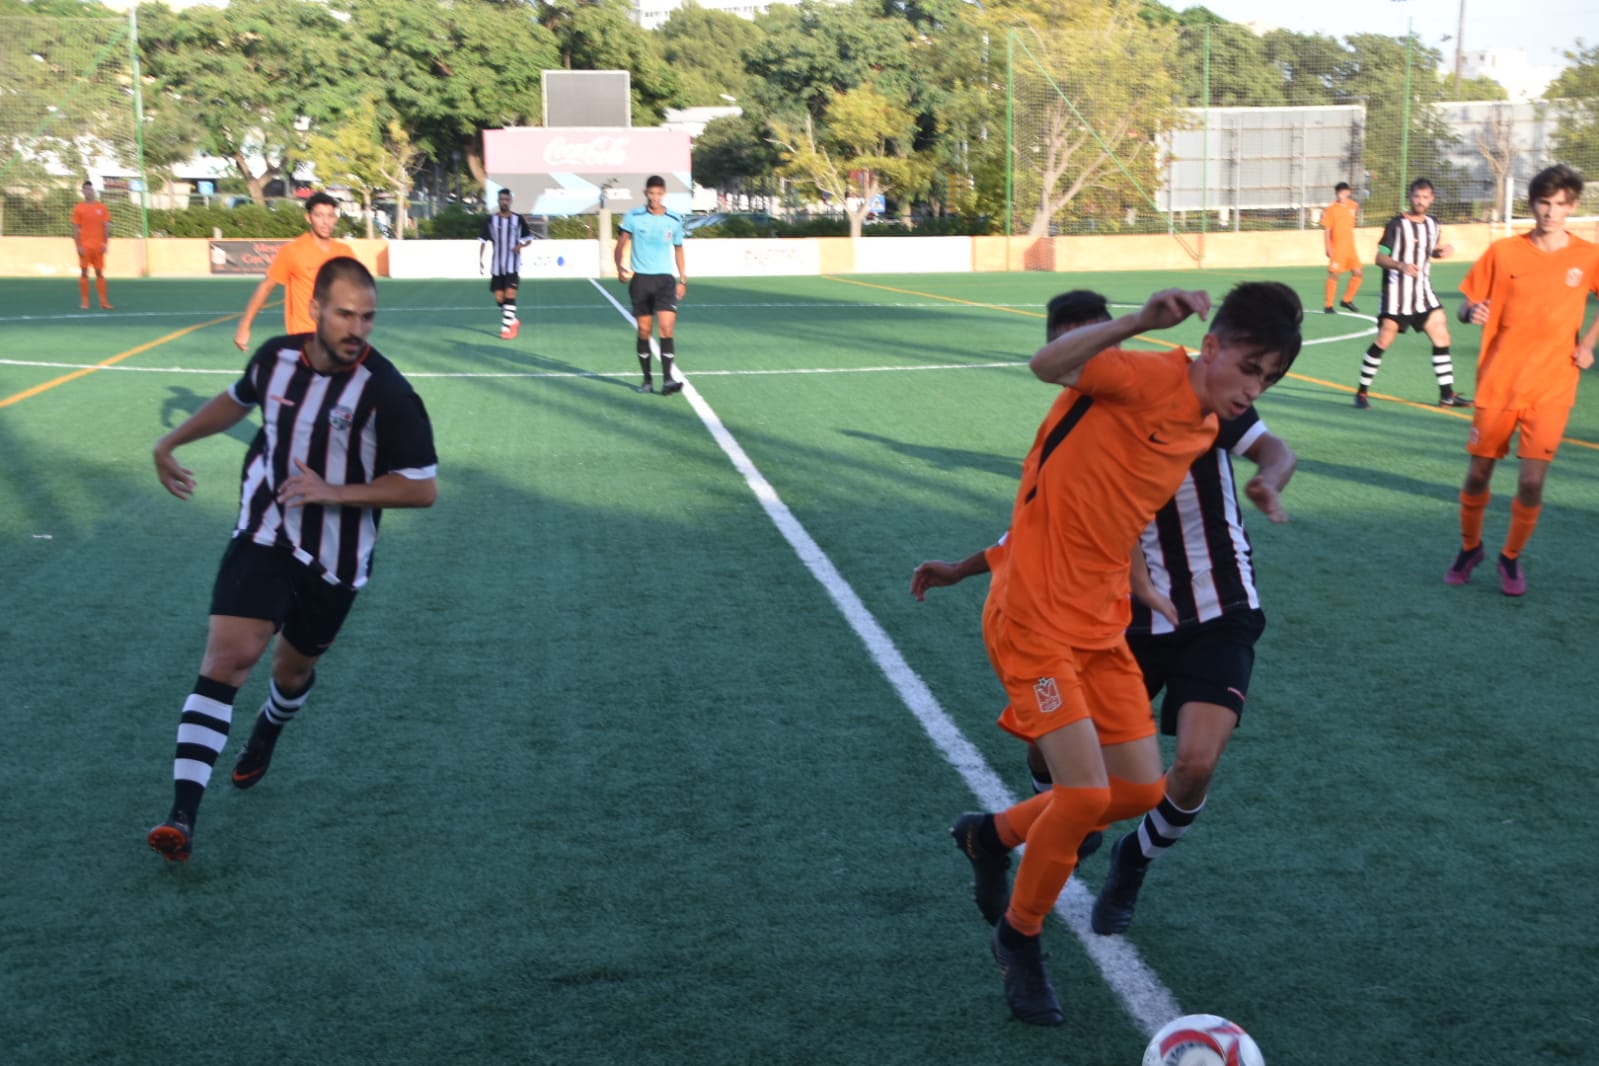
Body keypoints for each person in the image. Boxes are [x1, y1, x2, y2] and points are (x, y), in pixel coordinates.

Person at [934, 282, 1303, 1026]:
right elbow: (1046, 365)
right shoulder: (1140, 375)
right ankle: (1019, 938)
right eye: (1248, 368)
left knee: (1136, 792)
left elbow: (1116, 503)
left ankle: (990, 836)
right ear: (1210, 346)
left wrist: (1141, 584)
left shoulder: (1205, 424)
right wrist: (1135, 321)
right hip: (1033, 615)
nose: (1253, 388)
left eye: (1267, 379)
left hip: (1103, 623)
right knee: (1081, 796)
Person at [147, 257, 438, 862]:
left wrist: (335, 492)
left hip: (337, 558)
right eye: (345, 315)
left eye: (367, 317)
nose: (357, 329)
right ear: (315, 310)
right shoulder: (275, 358)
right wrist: (169, 441)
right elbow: (237, 400)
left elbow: (421, 488)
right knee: (229, 658)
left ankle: (269, 728)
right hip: (265, 527)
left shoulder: (387, 391)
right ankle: (182, 815)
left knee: (291, 670)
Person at [1446, 164, 1599, 597]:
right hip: (1500, 381)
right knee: (1479, 473)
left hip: (1553, 384)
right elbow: (1465, 303)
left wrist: (1588, 344)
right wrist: (1470, 312)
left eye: (1559, 204)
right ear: (1532, 204)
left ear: (1572, 207)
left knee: (1531, 482)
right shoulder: (1504, 251)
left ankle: (1510, 557)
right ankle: (1470, 548)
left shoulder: (1588, 256)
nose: (1550, 212)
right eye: (1543, 203)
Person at [1354, 177, 1472, 409]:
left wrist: (1440, 252)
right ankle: (1362, 392)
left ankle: (1447, 395)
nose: (1420, 201)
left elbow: (1428, 250)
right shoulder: (1395, 225)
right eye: (1417, 196)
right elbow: (1379, 257)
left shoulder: (1434, 224)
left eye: (1425, 197)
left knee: (1442, 335)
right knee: (1384, 340)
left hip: (1423, 295)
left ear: (1432, 199)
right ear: (1410, 197)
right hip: (1396, 297)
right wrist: (1400, 265)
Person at [233, 191, 354, 352]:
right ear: (308, 218)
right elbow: (266, 287)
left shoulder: (344, 252)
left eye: (330, 216)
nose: (325, 222)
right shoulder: (292, 251)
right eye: (319, 215)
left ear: (335, 218)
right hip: (304, 338)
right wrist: (244, 326)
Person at [614, 175, 688, 395]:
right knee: (644, 331)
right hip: (641, 281)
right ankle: (647, 380)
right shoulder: (633, 216)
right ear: (645, 193)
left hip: (665, 281)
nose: (655, 197)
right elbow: (621, 243)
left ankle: (668, 380)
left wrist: (683, 279)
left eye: (658, 194)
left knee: (666, 328)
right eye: (651, 193)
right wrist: (619, 267)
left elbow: (678, 249)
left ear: (664, 194)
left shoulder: (674, 219)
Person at [479, 187, 534, 340]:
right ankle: (513, 320)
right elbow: (483, 241)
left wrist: (520, 246)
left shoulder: (518, 219)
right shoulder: (491, 220)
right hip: (497, 265)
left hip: (512, 264)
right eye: (502, 199)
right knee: (499, 297)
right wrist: (480, 260)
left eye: (507, 199)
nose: (504, 202)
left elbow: (529, 239)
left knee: (510, 293)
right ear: (498, 201)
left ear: (510, 201)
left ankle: (506, 329)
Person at [1320, 182, 1363, 314]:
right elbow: (1327, 229)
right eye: (1339, 193)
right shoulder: (1331, 209)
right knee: (1334, 274)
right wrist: (1328, 247)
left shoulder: (1353, 206)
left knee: (1358, 273)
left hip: (1350, 248)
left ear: (1348, 192)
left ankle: (1347, 300)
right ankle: (1328, 305)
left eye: (1343, 193)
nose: (1341, 196)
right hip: (1338, 248)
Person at [71, 180, 113, 311]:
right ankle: (85, 302)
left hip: (99, 247)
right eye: (86, 189)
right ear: (83, 192)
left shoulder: (102, 208)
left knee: (99, 273)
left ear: (93, 191)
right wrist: (78, 246)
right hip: (85, 246)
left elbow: (107, 226)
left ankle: (104, 302)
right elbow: (75, 228)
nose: (88, 192)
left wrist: (105, 243)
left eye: (90, 189)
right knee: (84, 272)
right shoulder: (78, 208)